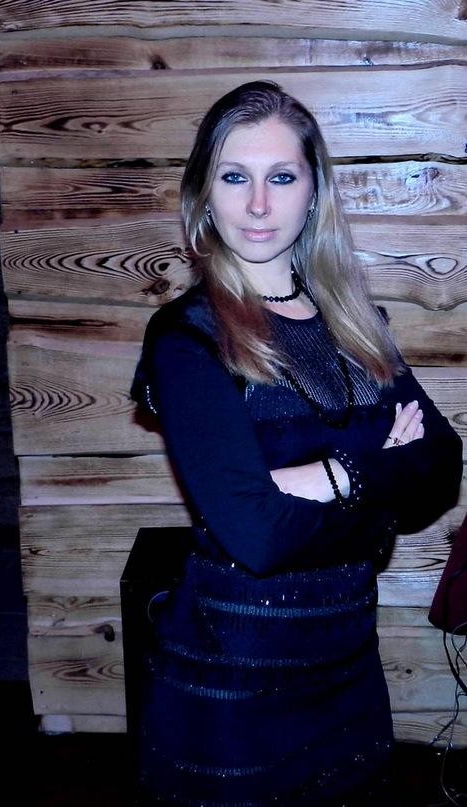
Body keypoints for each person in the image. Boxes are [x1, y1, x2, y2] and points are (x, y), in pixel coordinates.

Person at [130, 81, 463, 806]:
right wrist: (370, 467)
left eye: (280, 177)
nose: (258, 204)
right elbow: (255, 533)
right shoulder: (188, 338)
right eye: (234, 177)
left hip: (346, 658)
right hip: (236, 675)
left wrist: (315, 478)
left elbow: (441, 465)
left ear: (313, 193)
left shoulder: (355, 322)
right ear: (203, 195)